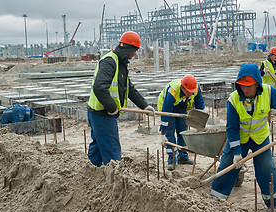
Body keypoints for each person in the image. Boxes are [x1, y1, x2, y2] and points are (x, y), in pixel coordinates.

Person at [210, 63, 276, 212]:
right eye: (242, 86)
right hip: (240, 139)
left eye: (249, 86)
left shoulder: (268, 92)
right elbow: (231, 129)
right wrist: (237, 153)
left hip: (260, 138)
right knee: (227, 165)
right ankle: (216, 200)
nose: (245, 90)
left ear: (257, 84)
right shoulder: (233, 100)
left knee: (267, 168)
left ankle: (273, 204)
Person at [87, 31, 155, 167]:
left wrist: (144, 106)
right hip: (102, 113)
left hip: (98, 112)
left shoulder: (120, 63)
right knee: (112, 151)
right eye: (135, 50)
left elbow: (129, 88)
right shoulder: (110, 62)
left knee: (98, 148)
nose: (136, 54)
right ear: (128, 49)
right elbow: (99, 87)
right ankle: (115, 180)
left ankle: (89, 173)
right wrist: (112, 108)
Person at [157, 74, 205, 170]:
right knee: (170, 133)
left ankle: (183, 157)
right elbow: (165, 114)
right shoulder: (172, 92)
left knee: (183, 131)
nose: (191, 94)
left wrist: (200, 121)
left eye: (192, 92)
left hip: (182, 107)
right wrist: (163, 134)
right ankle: (172, 160)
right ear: (183, 88)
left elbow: (200, 105)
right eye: (189, 92)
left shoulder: (195, 88)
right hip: (167, 108)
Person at [260, 46, 276, 125]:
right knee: (267, 107)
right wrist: (264, 71)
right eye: (275, 55)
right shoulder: (265, 64)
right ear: (271, 55)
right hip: (267, 89)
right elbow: (259, 74)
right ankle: (267, 123)